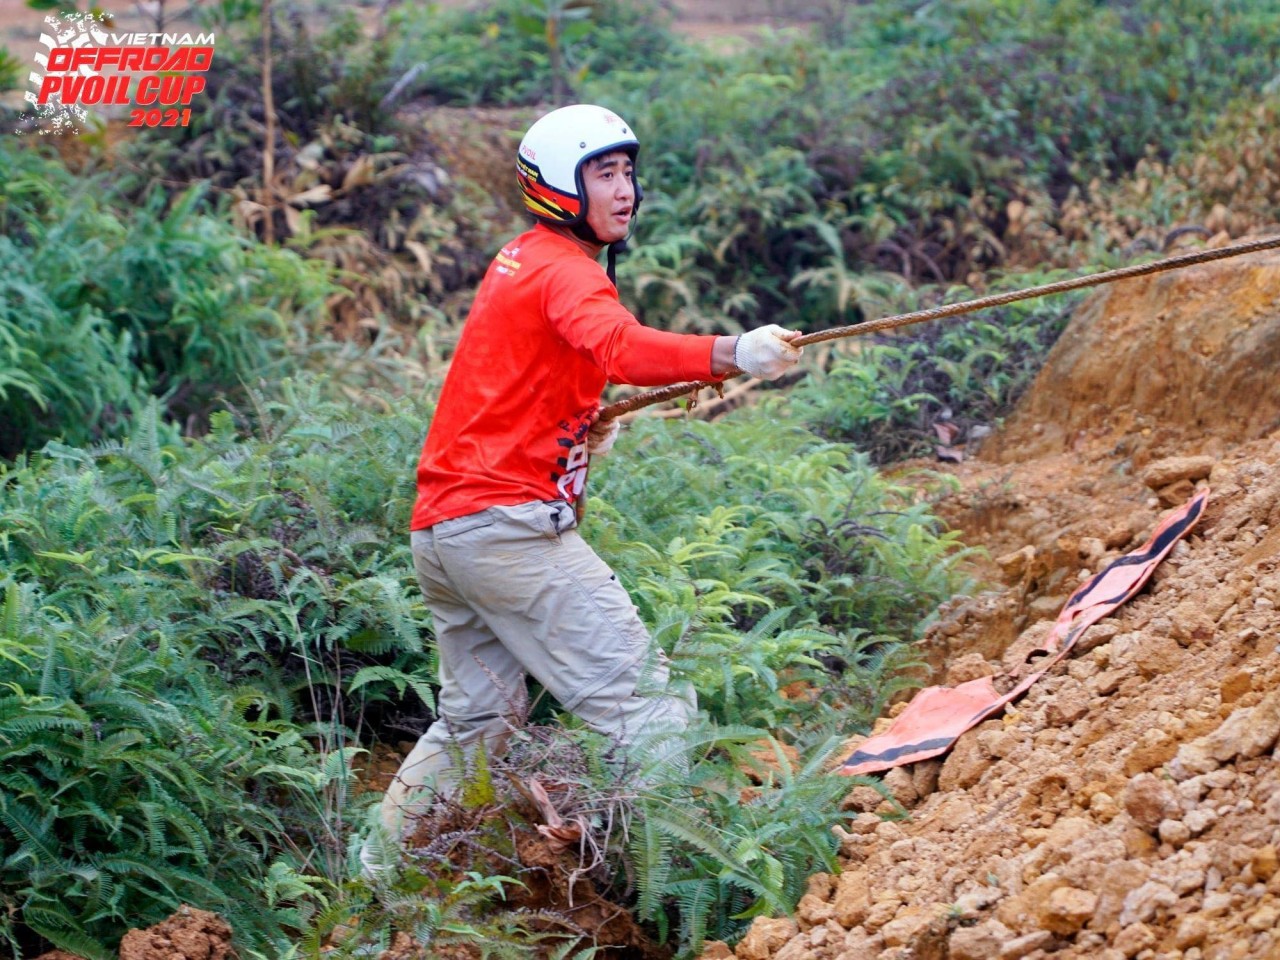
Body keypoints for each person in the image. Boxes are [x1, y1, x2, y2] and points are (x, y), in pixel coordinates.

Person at [360, 103, 803, 875]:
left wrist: (575, 421)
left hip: (446, 532)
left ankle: (375, 878)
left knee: (476, 722)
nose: (625, 188)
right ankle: (659, 884)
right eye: (604, 172)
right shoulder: (566, 272)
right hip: (507, 533)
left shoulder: (523, 260)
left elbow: (514, 380)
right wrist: (734, 351)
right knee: (642, 705)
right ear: (560, 186)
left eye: (629, 170)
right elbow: (622, 346)